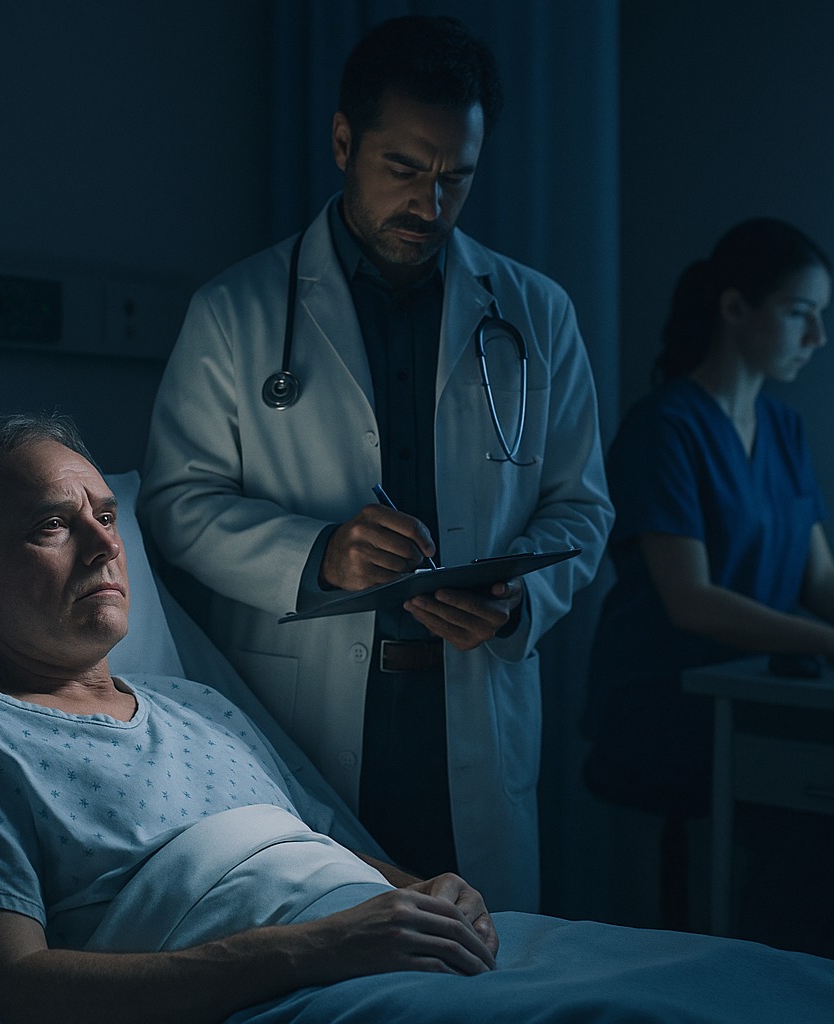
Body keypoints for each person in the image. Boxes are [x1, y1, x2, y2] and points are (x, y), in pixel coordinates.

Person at [0, 413, 834, 1024]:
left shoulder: (197, 705)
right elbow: (18, 994)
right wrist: (323, 951)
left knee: (768, 986)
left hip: (407, 950)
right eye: (53, 523)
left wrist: (432, 890)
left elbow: (336, 859)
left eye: (103, 512)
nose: (103, 544)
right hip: (294, 992)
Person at [137, 14, 613, 910]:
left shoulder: (535, 314)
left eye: (455, 179)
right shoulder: (235, 310)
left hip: (469, 708)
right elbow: (175, 504)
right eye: (404, 169)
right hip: (304, 710)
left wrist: (520, 604)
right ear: (344, 141)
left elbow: (580, 509)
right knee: (321, 957)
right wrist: (318, 555)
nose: (430, 206)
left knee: (486, 969)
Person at [582, 218, 834, 945]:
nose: (816, 338)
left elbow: (819, 575)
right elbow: (691, 599)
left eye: (820, 317)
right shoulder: (666, 428)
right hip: (671, 701)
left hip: (756, 691)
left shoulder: (782, 429)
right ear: (734, 307)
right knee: (821, 825)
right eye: (798, 312)